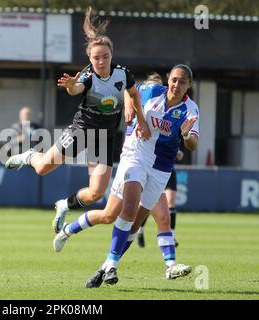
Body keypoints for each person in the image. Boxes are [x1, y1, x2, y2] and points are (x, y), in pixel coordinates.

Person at [5, 7, 150, 233]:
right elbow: (77, 89)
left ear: (112, 55)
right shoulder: (88, 76)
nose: (101, 61)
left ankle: (64, 204)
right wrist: (73, 86)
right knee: (43, 168)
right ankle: (30, 155)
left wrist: (140, 118)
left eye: (105, 56)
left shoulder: (123, 74)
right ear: (89, 58)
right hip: (81, 131)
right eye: (96, 57)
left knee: (96, 193)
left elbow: (133, 93)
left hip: (105, 138)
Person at [53, 64, 199, 287]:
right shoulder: (151, 91)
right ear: (168, 80)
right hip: (135, 156)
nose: (177, 85)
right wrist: (131, 106)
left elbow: (193, 144)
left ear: (189, 85)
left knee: (127, 223)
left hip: (161, 168)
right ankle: (115, 265)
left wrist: (187, 134)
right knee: (127, 209)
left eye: (183, 82)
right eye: (174, 80)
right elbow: (127, 89)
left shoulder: (191, 109)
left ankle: (103, 265)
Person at [137, 149, 183, 248]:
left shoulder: (175, 134)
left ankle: (171, 236)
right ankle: (139, 229)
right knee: (149, 203)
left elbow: (180, 154)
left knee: (171, 204)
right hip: (152, 170)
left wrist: (178, 152)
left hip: (168, 170)